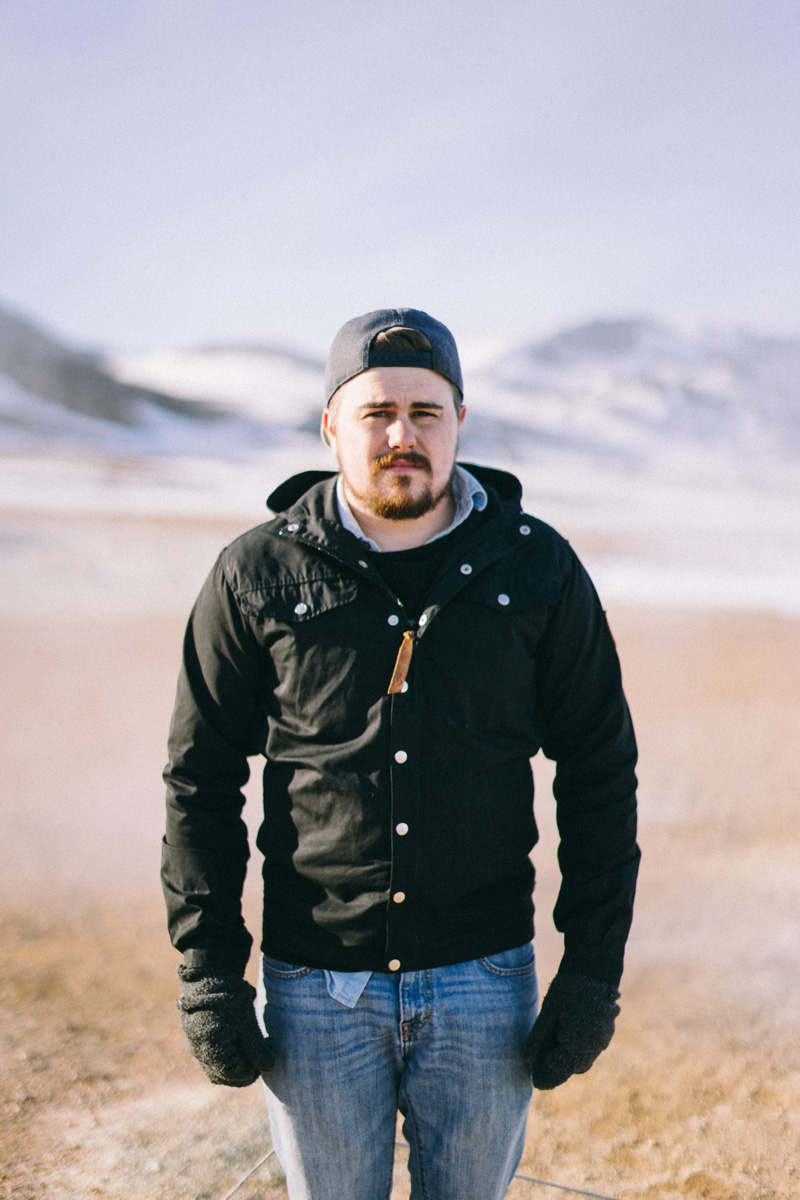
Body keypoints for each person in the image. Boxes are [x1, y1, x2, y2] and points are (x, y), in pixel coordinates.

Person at [162, 307, 640, 1200]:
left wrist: (591, 973)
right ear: (332, 425)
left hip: (485, 983)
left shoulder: (538, 570)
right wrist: (210, 976)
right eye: (378, 411)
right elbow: (200, 781)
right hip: (314, 991)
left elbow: (600, 774)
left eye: (427, 412)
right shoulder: (255, 574)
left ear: (461, 420)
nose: (402, 436)